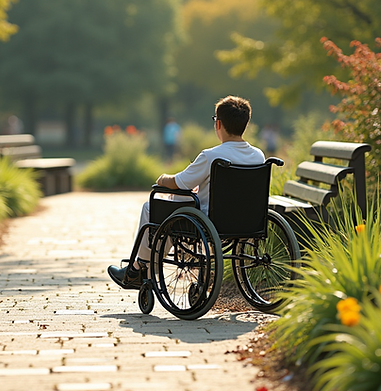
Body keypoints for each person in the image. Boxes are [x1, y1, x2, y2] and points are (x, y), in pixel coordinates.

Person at [108, 96, 265, 289]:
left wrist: (163, 178)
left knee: (152, 208)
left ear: (219, 124)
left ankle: (139, 268)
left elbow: (180, 183)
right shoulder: (258, 156)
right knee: (176, 207)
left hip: (210, 221)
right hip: (248, 220)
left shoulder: (211, 156)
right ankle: (142, 268)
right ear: (245, 124)